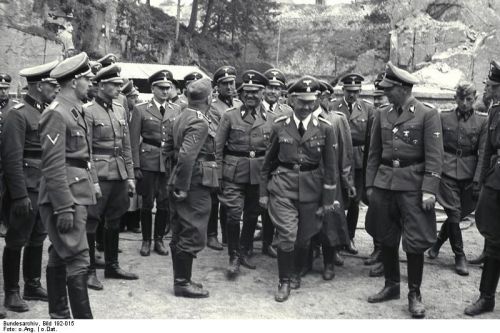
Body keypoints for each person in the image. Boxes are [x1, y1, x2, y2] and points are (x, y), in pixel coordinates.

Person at [365, 62, 443, 318]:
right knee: (386, 237)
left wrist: (429, 189)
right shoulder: (381, 113)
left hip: (413, 185)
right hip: (385, 183)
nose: (386, 93)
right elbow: (374, 153)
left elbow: (434, 157)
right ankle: (391, 285)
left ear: (402, 88)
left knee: (415, 241)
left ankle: (414, 293)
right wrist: (370, 185)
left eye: (389, 89)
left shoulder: (427, 114)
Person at [259, 76, 338, 302]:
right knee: (287, 235)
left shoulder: (325, 128)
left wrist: (328, 200)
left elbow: (331, 167)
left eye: (311, 101)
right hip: (283, 186)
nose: (306, 106)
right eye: (302, 101)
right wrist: (264, 193)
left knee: (303, 238)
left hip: (312, 190)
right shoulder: (280, 125)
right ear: (292, 100)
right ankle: (284, 281)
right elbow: (268, 163)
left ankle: (296, 271)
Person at [38, 52, 99, 319]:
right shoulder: (58, 114)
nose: (91, 84)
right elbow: (52, 165)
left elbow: (82, 157)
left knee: (61, 254)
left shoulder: (75, 111)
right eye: (87, 79)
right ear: (74, 82)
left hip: (76, 191)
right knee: (78, 258)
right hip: (65, 197)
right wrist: (63, 207)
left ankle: (59, 317)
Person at [1, 61, 58, 312]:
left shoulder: (47, 111)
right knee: (16, 239)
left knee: (38, 237)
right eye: (51, 85)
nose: (55, 89)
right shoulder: (18, 113)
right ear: (38, 85)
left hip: (43, 186)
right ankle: (11, 292)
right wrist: (19, 194)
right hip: (26, 187)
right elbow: (11, 159)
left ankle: (32, 284)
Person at [84, 64, 139, 291]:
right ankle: (88, 270)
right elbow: (85, 150)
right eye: (115, 85)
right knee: (91, 220)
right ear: (101, 85)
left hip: (119, 173)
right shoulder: (87, 111)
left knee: (115, 218)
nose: (119, 88)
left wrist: (131, 176)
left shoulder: (120, 109)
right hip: (99, 172)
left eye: (119, 84)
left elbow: (126, 146)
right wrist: (93, 180)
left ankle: (111, 265)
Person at [216, 70, 273, 278]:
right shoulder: (229, 115)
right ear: (241, 93)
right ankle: (233, 256)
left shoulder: (272, 119)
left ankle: (246, 250)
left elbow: (273, 152)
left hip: (258, 174)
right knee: (232, 214)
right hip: (233, 172)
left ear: (263, 93)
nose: (250, 96)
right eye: (247, 92)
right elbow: (218, 148)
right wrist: (218, 175)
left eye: (255, 92)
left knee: (252, 214)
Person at [427, 82, 487, 276]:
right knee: (453, 213)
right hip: (447, 171)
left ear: (475, 99)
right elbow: (435, 147)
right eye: (460, 99)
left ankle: (437, 243)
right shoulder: (443, 117)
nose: (464, 103)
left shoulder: (482, 121)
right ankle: (459, 255)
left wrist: (477, 180)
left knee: (459, 213)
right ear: (455, 99)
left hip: (469, 174)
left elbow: (484, 152)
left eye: (469, 99)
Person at [166, 77, 218, 298]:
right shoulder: (199, 121)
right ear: (209, 98)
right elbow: (187, 155)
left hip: (182, 178)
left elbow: (169, 149)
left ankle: (182, 279)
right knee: (194, 230)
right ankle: (182, 283)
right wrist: (184, 186)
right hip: (194, 182)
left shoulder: (180, 116)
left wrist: (175, 179)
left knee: (180, 229)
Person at [129, 70, 181, 256]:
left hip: (167, 161)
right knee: (147, 203)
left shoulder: (176, 110)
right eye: (161, 88)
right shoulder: (140, 109)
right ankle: (146, 241)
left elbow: (178, 139)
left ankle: (159, 240)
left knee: (164, 202)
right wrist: (135, 166)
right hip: (148, 160)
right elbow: (133, 141)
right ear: (153, 88)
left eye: (168, 88)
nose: (165, 91)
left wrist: (176, 161)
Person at [464, 60, 500, 316]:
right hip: (497, 180)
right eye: (492, 87)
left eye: (496, 87)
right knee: (494, 238)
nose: (493, 92)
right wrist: (483, 179)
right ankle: (486, 297)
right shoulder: (496, 110)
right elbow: (488, 147)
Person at [313, 80, 354, 279]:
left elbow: (345, 153)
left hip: (330, 178)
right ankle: (309, 256)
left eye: (324, 97)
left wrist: (347, 180)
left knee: (330, 220)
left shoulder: (337, 120)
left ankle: (329, 261)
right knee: (308, 218)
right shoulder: (299, 118)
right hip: (308, 177)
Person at [334, 73, 374, 255]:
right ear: (343, 90)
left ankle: (349, 237)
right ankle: (336, 237)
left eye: (356, 91)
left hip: (358, 160)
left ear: (360, 91)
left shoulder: (367, 109)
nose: (352, 95)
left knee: (355, 201)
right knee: (338, 199)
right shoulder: (334, 106)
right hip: (338, 158)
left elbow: (370, 138)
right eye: (349, 91)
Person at [206, 65, 242, 251]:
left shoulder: (239, 105)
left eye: (231, 83)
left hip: (234, 158)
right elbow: (214, 134)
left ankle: (228, 234)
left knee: (230, 198)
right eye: (225, 84)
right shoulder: (212, 107)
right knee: (213, 196)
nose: (229, 87)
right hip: (215, 155)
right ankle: (211, 235)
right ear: (217, 87)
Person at [119, 80, 142, 233]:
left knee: (135, 194)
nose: (136, 100)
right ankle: (122, 222)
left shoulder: (137, 112)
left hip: (135, 156)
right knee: (123, 192)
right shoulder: (123, 112)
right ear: (125, 98)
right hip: (122, 156)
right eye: (133, 97)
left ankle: (133, 222)